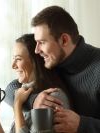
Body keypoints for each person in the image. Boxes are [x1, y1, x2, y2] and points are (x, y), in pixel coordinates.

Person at [26, 5, 100, 133]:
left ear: (64, 40)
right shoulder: (51, 63)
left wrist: (82, 125)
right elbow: (12, 88)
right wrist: (34, 100)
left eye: (42, 42)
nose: (36, 50)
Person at [0, 34, 71, 133]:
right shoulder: (25, 93)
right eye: (13, 58)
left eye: (18, 59)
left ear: (35, 62)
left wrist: (17, 105)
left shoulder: (52, 99)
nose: (13, 65)